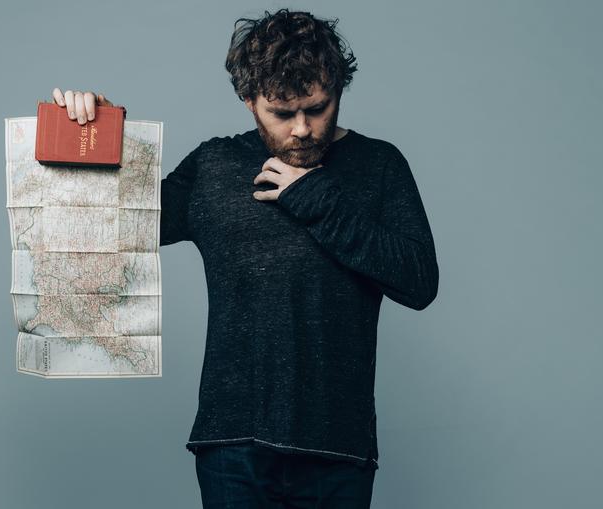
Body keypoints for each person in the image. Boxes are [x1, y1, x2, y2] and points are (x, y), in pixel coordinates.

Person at [49, 8, 438, 508]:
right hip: (232, 444)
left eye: (319, 108)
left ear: (338, 89)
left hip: (337, 447)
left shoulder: (379, 165)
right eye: (282, 112)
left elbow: (419, 282)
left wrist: (318, 199)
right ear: (248, 99)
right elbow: (112, 223)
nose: (302, 129)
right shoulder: (214, 166)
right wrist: (93, 134)